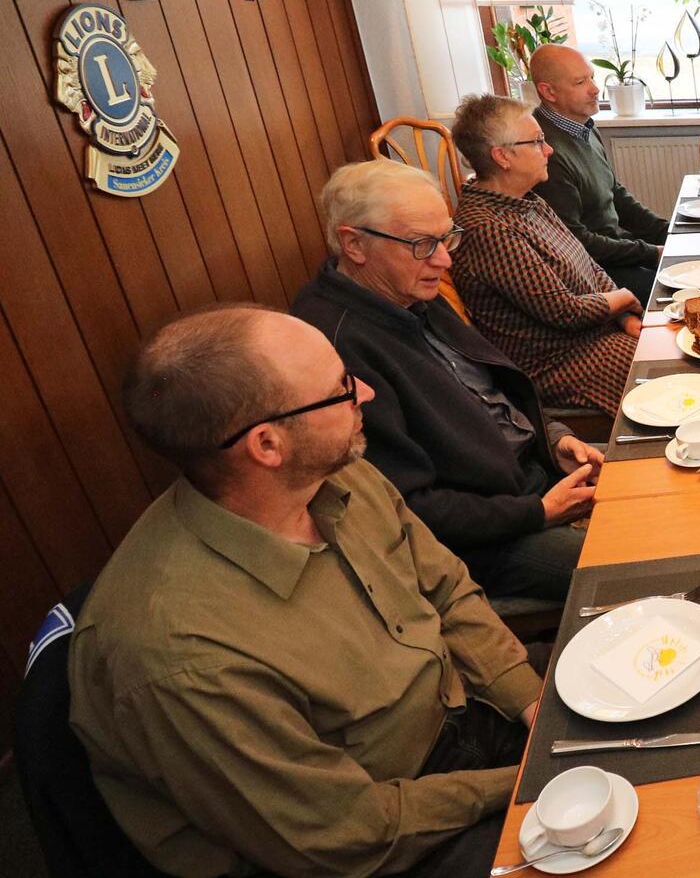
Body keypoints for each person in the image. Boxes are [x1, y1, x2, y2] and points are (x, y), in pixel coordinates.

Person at [68, 306, 540, 878]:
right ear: (267, 444)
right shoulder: (181, 657)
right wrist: (520, 783)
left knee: (655, 726)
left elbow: (445, 590)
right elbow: (343, 835)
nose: (365, 392)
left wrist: (526, 700)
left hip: (460, 712)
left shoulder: (332, 471)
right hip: (378, 841)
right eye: (340, 388)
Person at [292, 160, 599, 603]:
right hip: (492, 537)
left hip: (534, 478)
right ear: (354, 243)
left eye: (446, 237)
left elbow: (495, 392)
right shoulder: (335, 348)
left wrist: (556, 438)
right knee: (644, 562)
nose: (444, 258)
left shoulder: (407, 290)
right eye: (422, 244)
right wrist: (537, 512)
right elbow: (407, 508)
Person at [449, 93, 643, 417]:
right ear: (502, 157)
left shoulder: (527, 201)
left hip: (596, 337)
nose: (549, 149)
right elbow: (566, 313)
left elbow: (589, 265)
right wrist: (624, 299)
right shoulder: (486, 229)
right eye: (538, 142)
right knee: (676, 386)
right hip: (563, 364)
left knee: (682, 358)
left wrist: (624, 316)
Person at [527, 44, 670, 293]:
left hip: (618, 252)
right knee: (690, 288)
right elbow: (575, 241)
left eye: (592, 77)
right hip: (594, 272)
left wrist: (668, 233)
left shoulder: (586, 128)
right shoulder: (545, 151)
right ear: (548, 91)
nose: (595, 89)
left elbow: (616, 196)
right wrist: (652, 253)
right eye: (580, 82)